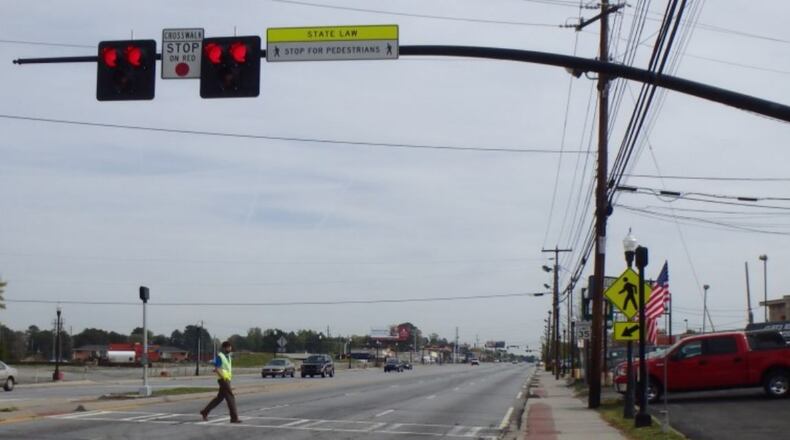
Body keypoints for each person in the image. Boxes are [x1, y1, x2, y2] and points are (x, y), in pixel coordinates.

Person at [200, 341, 240, 423]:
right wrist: (223, 377)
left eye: (230, 347)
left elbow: (223, 368)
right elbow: (217, 368)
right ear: (225, 348)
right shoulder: (220, 356)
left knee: (219, 398)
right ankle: (234, 418)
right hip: (223, 380)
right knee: (230, 397)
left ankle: (205, 412)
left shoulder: (228, 357)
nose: (230, 348)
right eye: (229, 347)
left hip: (227, 379)